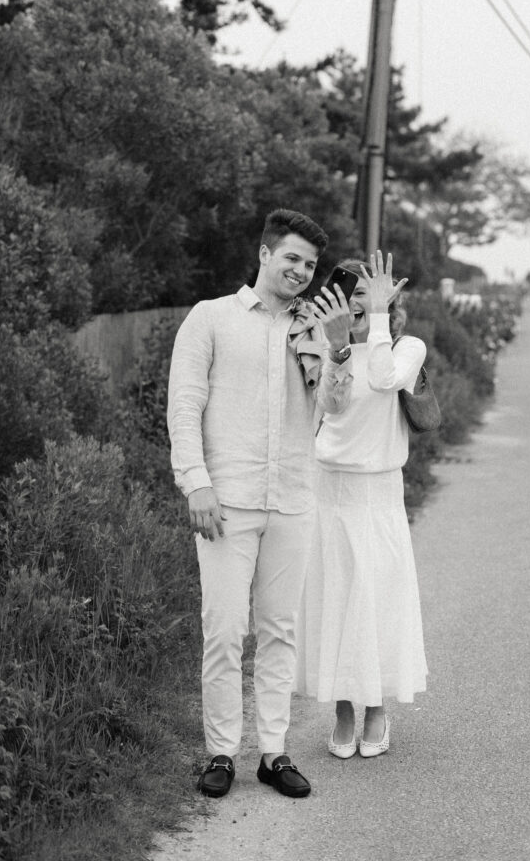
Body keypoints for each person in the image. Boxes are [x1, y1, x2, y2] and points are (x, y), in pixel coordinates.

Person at [167, 208, 353, 799]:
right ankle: (221, 752)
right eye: (292, 257)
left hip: (293, 497)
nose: (301, 271)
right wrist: (196, 482)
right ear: (265, 254)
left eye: (311, 265)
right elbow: (184, 405)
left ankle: (273, 753)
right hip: (228, 500)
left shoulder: (314, 329)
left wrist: (340, 347)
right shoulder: (211, 318)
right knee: (224, 630)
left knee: (279, 630)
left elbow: (334, 409)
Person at [295, 250, 429, 758]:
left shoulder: (407, 347)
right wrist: (336, 350)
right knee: (335, 598)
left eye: (367, 300)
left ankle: (376, 710)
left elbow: (385, 379)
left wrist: (375, 322)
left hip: (379, 493)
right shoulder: (325, 344)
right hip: (330, 488)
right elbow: (330, 406)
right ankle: (342, 711)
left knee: (375, 600)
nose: (356, 308)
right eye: (350, 299)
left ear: (386, 303)